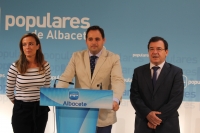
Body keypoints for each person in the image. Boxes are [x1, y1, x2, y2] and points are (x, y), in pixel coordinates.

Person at [56, 25, 125, 133]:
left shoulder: (113, 58)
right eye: (90, 39)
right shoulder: (76, 56)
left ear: (104, 40)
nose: (94, 42)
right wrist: (57, 94)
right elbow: (65, 77)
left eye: (97, 39)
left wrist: (115, 99)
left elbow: (118, 80)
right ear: (86, 41)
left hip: (103, 116)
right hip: (80, 115)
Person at [130, 36, 184, 133]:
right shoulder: (138, 71)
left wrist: (155, 119)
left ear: (166, 52)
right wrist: (148, 114)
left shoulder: (176, 72)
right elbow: (134, 97)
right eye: (151, 49)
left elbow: (176, 99)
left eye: (159, 49)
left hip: (167, 125)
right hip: (143, 124)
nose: (155, 52)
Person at [6, 33, 51, 133]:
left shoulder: (45, 65)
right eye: (24, 44)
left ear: (37, 46)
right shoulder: (15, 66)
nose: (27, 47)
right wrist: (21, 104)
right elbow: (9, 92)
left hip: (40, 110)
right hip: (21, 111)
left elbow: (47, 88)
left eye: (30, 44)